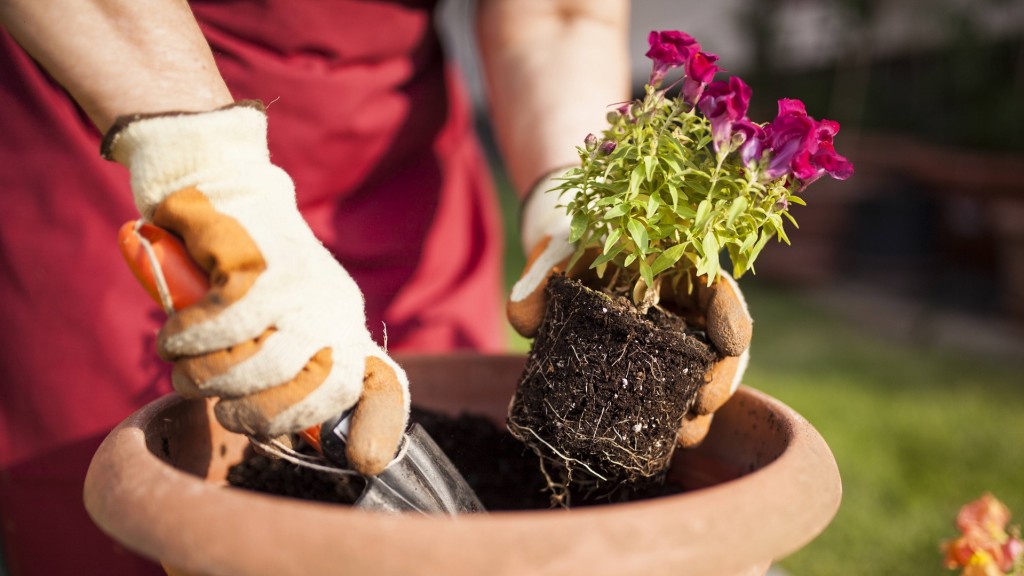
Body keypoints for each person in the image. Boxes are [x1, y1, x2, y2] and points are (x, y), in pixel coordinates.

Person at [0, 2, 749, 574]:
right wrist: (206, 171)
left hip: (395, 179)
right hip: (126, 115)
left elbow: (559, 14)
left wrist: (575, 203)